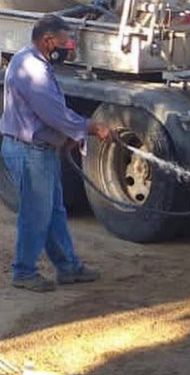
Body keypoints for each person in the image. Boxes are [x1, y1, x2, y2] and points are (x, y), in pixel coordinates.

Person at [1, 14, 110, 293]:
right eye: (64, 42)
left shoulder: (31, 60)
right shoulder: (33, 69)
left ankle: (68, 267)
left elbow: (52, 111)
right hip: (30, 151)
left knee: (53, 211)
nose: (68, 47)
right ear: (48, 41)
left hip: (38, 148)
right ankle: (24, 271)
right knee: (36, 213)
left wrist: (69, 136)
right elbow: (53, 113)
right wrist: (89, 126)